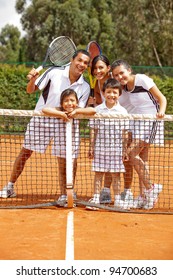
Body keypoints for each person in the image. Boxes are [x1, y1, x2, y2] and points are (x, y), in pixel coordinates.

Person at [0, 49, 91, 200]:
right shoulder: (53, 72)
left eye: (85, 63)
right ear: (72, 59)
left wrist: (62, 113)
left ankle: (67, 193)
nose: (82, 64)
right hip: (42, 120)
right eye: (79, 60)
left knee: (67, 159)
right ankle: (9, 186)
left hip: (66, 123)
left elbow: (78, 109)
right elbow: (30, 90)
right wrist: (32, 80)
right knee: (25, 153)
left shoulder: (85, 86)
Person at [111, 59, 167, 210]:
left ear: (129, 70)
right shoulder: (125, 88)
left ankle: (151, 187)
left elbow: (162, 98)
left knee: (131, 153)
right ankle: (144, 196)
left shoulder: (142, 79)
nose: (119, 77)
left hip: (151, 120)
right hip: (138, 121)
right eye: (116, 75)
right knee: (142, 159)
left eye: (121, 73)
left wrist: (161, 112)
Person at [42, 88, 96, 205]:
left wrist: (76, 112)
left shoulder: (77, 110)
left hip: (73, 146)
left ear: (76, 102)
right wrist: (61, 114)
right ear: (61, 103)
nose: (69, 103)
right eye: (66, 101)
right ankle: (62, 194)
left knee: (72, 169)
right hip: (59, 146)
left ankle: (70, 191)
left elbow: (92, 110)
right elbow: (45, 109)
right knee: (62, 170)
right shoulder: (58, 110)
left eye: (72, 100)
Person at [87, 78, 130, 210]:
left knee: (116, 175)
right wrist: (91, 147)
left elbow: (125, 133)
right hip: (100, 149)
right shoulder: (98, 110)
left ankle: (117, 199)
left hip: (116, 150)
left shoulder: (123, 112)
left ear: (119, 94)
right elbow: (93, 130)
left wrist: (125, 150)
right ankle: (95, 198)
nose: (111, 95)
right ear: (104, 93)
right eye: (109, 92)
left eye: (115, 92)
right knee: (98, 174)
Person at [88, 54, 113, 203]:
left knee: (113, 163)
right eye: (95, 68)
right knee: (101, 162)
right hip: (103, 126)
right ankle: (101, 193)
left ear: (108, 68)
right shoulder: (97, 85)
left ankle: (107, 191)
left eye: (101, 67)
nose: (98, 71)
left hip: (118, 124)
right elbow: (98, 109)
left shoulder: (114, 82)